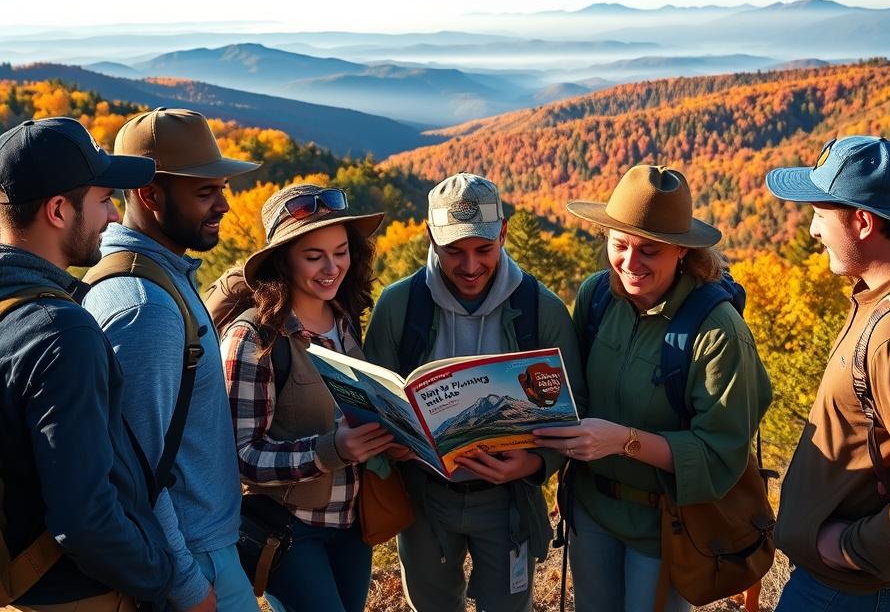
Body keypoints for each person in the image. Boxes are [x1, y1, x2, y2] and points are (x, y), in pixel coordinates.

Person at [533, 164, 772, 612]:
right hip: (591, 509)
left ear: (682, 252)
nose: (629, 262)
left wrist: (622, 442)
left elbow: (721, 453)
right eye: (619, 245)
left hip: (665, 523)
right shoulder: (597, 297)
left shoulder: (717, 330)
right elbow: (572, 391)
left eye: (650, 250)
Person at [363, 172, 584, 612]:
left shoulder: (542, 311)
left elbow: (573, 415)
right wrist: (395, 446)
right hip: (424, 500)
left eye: (483, 249)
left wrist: (536, 463)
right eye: (453, 251)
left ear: (503, 232)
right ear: (430, 237)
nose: (469, 266)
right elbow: (374, 401)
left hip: (508, 502)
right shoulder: (399, 306)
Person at [766, 135, 890, 612]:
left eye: (819, 215)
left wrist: (852, 549)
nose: (812, 230)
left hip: (855, 589)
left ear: (863, 222)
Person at [82, 108, 262, 612]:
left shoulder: (155, 276)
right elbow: (135, 473)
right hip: (192, 561)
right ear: (148, 194)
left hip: (199, 550)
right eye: (205, 192)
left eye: (222, 188)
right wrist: (187, 585)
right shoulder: (146, 309)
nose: (225, 204)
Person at [0, 117, 174, 610]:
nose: (115, 217)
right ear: (58, 210)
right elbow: (84, 519)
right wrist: (160, 575)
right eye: (102, 200)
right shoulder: (59, 331)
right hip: (80, 596)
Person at [213, 183, 393, 612]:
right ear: (283, 261)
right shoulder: (253, 338)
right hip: (290, 530)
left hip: (352, 523)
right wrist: (332, 450)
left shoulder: (346, 321)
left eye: (341, 251)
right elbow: (240, 456)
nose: (332, 268)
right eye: (314, 257)